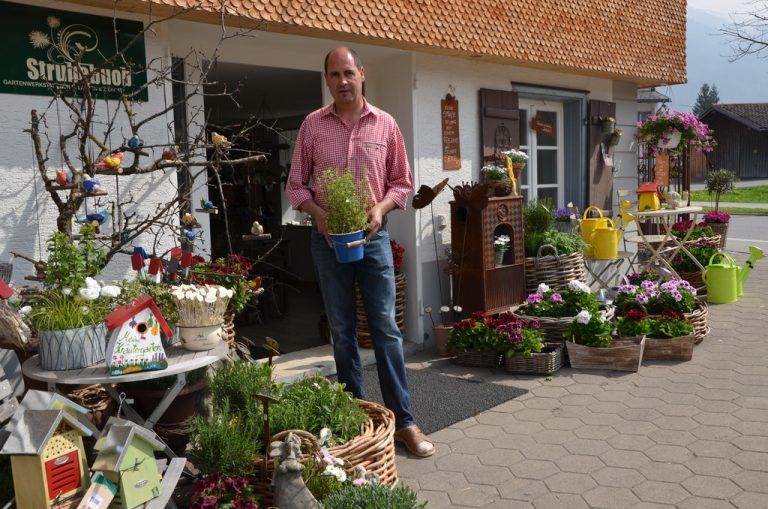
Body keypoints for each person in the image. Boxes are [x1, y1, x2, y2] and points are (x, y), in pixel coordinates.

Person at [286, 47, 434, 458]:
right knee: (342, 330)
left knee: (385, 329)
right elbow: (296, 186)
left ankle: (404, 422)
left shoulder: (385, 124)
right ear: (327, 80)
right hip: (327, 240)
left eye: (348, 73)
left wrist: (380, 208)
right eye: (334, 74)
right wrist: (318, 214)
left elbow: (402, 183)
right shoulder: (312, 126)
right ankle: (355, 417)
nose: (342, 81)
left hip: (374, 240)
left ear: (362, 75)